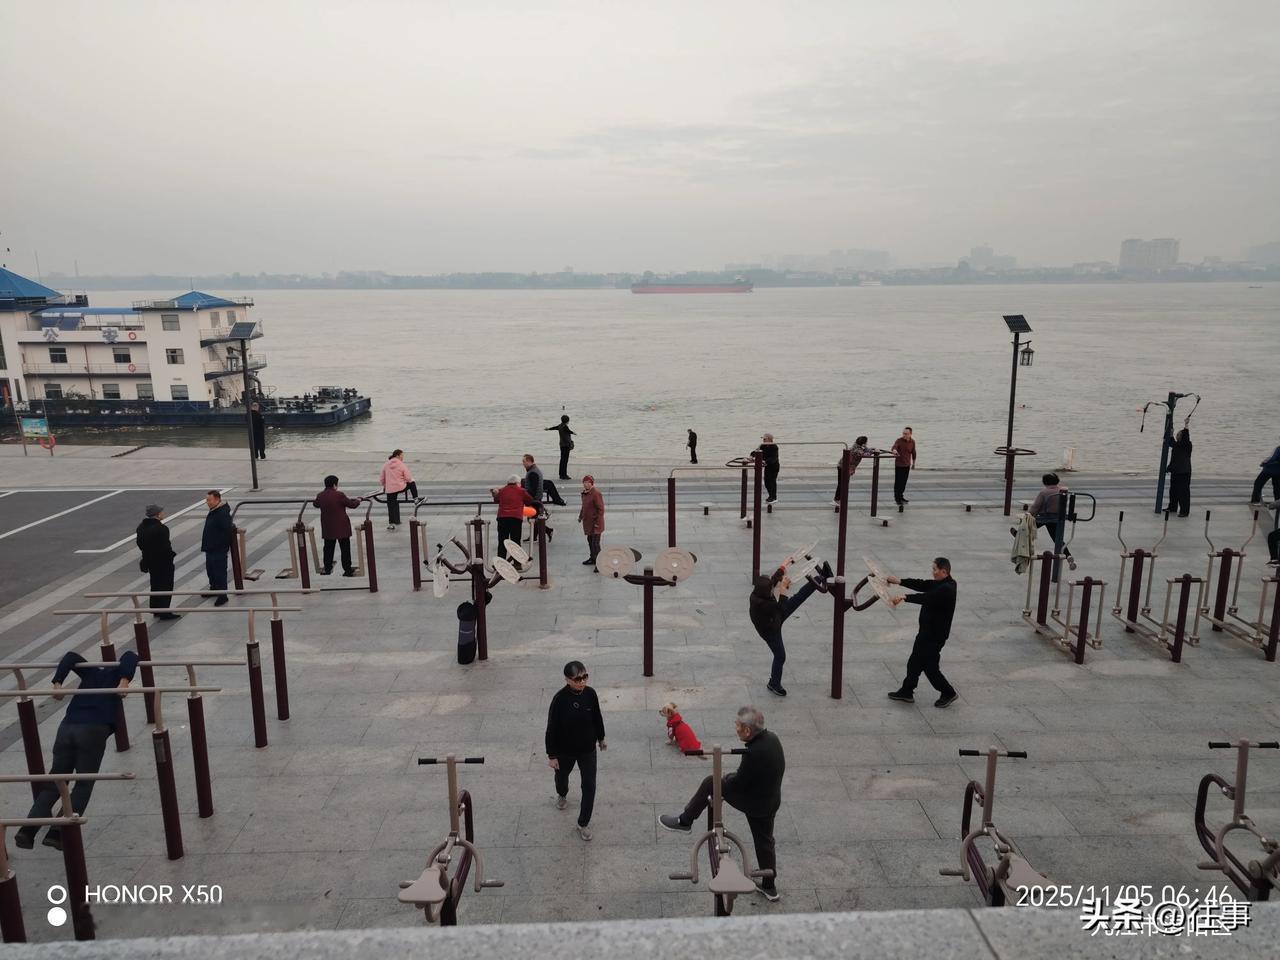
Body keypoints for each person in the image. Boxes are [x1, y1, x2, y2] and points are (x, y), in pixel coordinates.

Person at [13, 650, 138, 851]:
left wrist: (58, 682)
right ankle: (58, 833)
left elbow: (71, 656)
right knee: (83, 784)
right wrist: (124, 681)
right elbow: (131, 655)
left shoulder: (90, 673)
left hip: (67, 728)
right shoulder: (116, 676)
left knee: (54, 783)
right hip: (93, 730)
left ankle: (27, 831)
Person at [660, 706, 785, 902]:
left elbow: (739, 784)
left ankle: (685, 820)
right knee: (765, 841)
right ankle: (770, 887)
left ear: (748, 731)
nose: (735, 728)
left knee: (712, 782)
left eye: (737, 725)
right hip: (770, 799)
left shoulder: (753, 753)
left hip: (755, 802)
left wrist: (726, 780)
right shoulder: (772, 739)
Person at [545, 660, 606, 842]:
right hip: (565, 751)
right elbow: (551, 729)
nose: (582, 681)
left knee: (589, 786)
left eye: (585, 677)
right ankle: (562, 794)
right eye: (577, 678)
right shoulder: (559, 700)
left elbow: (597, 716)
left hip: (588, 750)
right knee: (561, 777)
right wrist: (552, 755)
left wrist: (601, 738)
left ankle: (583, 823)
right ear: (567, 680)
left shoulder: (590, 694)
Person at [749, 561, 831, 696]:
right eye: (771, 590)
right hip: (770, 630)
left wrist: (783, 566)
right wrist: (783, 591)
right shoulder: (763, 604)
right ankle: (774, 684)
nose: (772, 589)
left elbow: (773, 581)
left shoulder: (760, 592)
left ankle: (821, 576)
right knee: (780, 656)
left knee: (798, 598)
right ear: (765, 593)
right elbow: (780, 607)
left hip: (774, 617)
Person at [886, 557, 959, 708]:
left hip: (934, 636)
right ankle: (907, 691)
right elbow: (923, 584)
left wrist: (905, 597)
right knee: (914, 662)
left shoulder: (947, 589)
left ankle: (948, 692)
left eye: (935, 570)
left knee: (930, 667)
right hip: (926, 632)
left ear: (944, 571)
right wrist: (899, 581)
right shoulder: (942, 583)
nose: (933, 572)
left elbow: (928, 597)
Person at [135, 504, 179, 620]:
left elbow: (140, 544)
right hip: (163, 562)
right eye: (161, 512)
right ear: (157, 514)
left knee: (155, 585)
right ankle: (164, 611)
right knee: (166, 586)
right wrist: (171, 555)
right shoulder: (162, 529)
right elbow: (166, 547)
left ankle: (156, 609)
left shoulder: (141, 528)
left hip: (150, 562)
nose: (163, 513)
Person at [314, 475, 363, 576]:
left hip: (328, 527)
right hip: (342, 527)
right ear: (334, 485)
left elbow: (316, 504)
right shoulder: (339, 495)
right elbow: (352, 505)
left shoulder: (320, 495)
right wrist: (358, 500)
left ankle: (327, 568)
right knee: (345, 548)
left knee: (328, 547)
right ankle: (347, 570)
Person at [1029, 473, 1077, 571]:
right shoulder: (1063, 491)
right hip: (1058, 517)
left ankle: (1019, 536)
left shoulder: (1044, 492)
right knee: (1057, 539)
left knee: (1028, 526)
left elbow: (1036, 506)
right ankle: (1068, 556)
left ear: (1044, 482)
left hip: (1045, 517)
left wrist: (1029, 515)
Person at [492, 474, 537, 561]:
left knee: (502, 541)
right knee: (515, 542)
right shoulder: (521, 491)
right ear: (517, 483)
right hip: (515, 519)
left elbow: (496, 499)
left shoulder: (502, 490)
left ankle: (501, 562)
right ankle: (517, 563)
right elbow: (529, 500)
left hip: (502, 518)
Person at [201, 490, 232, 606]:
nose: (207, 502)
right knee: (211, 570)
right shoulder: (214, 510)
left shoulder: (222, 513)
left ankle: (223, 595)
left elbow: (226, 532)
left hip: (217, 548)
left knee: (219, 571)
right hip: (210, 548)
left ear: (217, 499)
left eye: (209, 500)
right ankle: (214, 588)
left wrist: (219, 545)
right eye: (207, 500)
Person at [379, 449, 415, 531]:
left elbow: (382, 478)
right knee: (412, 483)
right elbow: (408, 478)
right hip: (400, 487)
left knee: (391, 505)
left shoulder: (386, 464)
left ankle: (391, 523)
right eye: (402, 455)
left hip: (390, 489)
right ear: (397, 455)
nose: (403, 457)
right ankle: (415, 499)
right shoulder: (401, 464)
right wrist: (405, 481)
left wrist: (385, 485)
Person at [832, 436, 872, 503]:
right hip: (843, 467)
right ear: (863, 443)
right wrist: (871, 451)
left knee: (843, 484)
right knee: (842, 484)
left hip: (844, 466)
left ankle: (839, 499)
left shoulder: (857, 446)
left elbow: (866, 450)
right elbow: (866, 454)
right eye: (866, 442)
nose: (867, 444)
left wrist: (869, 449)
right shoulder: (857, 450)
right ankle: (837, 499)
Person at [1165, 426, 1193, 517]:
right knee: (1173, 491)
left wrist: (1186, 426)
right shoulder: (1177, 445)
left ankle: (1184, 511)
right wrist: (1170, 434)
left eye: (1179, 435)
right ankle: (1172, 507)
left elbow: (1186, 437)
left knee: (1183, 493)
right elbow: (1170, 442)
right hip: (1176, 471)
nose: (1177, 436)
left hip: (1184, 472)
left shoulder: (1187, 445)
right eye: (1177, 435)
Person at [578, 474, 605, 566]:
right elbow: (584, 506)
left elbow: (601, 509)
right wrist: (580, 516)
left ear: (591, 483)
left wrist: (597, 523)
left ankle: (599, 562)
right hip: (588, 523)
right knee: (590, 540)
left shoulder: (596, 494)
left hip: (596, 524)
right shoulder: (584, 493)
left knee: (595, 543)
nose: (585, 484)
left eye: (587, 482)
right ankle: (593, 558)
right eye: (584, 482)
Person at [891, 427, 916, 504]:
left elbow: (914, 453)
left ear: (910, 434)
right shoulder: (899, 440)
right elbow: (894, 447)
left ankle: (901, 496)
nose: (904, 435)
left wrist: (914, 463)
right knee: (898, 482)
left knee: (904, 482)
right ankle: (897, 498)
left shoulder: (912, 442)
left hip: (907, 465)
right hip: (899, 465)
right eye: (903, 433)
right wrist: (894, 450)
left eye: (906, 434)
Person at [546, 414, 576, 480]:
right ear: (567, 421)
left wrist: (548, 429)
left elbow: (554, 428)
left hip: (562, 445)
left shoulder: (560, 426)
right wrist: (573, 433)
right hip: (566, 446)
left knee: (562, 460)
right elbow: (568, 431)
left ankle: (561, 474)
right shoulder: (565, 426)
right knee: (565, 461)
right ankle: (564, 475)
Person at [1250, 441, 1280, 505]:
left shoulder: (1278, 449)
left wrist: (1264, 463)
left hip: (1269, 470)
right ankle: (1277, 501)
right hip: (1278, 472)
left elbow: (1272, 458)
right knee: (1277, 487)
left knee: (1258, 483)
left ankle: (1255, 500)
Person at [759, 433, 780, 503]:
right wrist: (751, 456)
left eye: (765, 439)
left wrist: (766, 461)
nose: (763, 440)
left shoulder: (774, 447)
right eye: (763, 439)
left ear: (769, 439)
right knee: (766, 482)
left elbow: (774, 458)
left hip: (774, 467)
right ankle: (770, 496)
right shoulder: (763, 446)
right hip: (767, 467)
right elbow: (757, 451)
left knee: (772, 482)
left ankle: (774, 497)